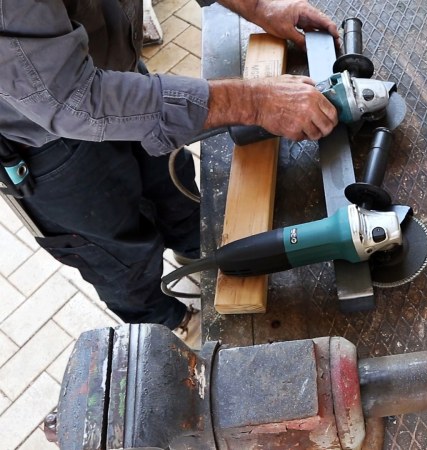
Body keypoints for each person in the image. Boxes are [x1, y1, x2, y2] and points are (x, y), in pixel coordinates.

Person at [0, 0, 340, 349]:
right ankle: (168, 323)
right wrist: (254, 102)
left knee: (174, 191)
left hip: (117, 72)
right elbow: (72, 101)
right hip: (45, 144)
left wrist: (258, 7)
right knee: (119, 257)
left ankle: (200, 254)